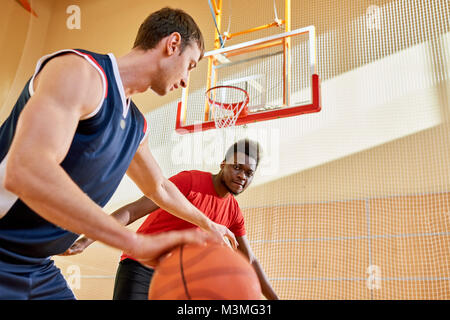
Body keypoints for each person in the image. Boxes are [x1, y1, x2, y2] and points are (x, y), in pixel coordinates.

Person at [0, 7, 237, 300]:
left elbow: (160, 187)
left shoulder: (136, 127)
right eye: (190, 65)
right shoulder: (81, 72)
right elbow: (27, 171)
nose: (187, 80)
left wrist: (209, 224)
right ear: (172, 44)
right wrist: (132, 242)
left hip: (37, 267)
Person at [64, 139, 280, 300]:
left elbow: (249, 260)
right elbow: (134, 210)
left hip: (177, 278)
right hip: (140, 267)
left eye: (249, 172)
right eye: (237, 167)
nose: (242, 175)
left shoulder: (234, 213)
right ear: (223, 163)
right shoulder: (190, 181)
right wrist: (86, 240)